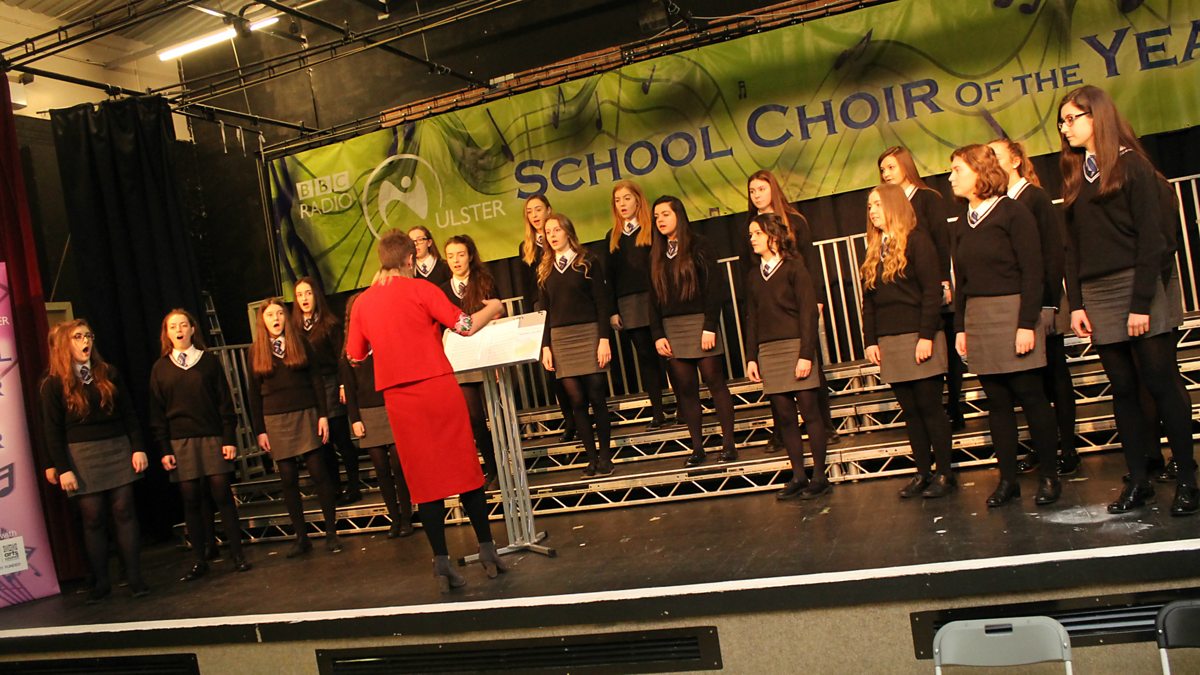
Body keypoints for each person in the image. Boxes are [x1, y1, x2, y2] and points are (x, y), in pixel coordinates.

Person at [1058, 84, 1196, 515]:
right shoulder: (1078, 176)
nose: (1065, 128)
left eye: (1072, 118)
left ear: (1096, 116)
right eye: (1062, 122)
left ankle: (1188, 481)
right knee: (1122, 388)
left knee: (1161, 382)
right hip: (1098, 292)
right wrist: (1077, 304)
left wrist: (1140, 303)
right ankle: (1139, 480)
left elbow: (1154, 239)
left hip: (1140, 285)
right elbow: (1072, 248)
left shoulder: (1132, 165)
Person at [346, 230, 507, 592]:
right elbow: (465, 326)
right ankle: (487, 549)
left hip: (399, 399)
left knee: (425, 481)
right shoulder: (422, 289)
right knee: (465, 470)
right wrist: (495, 307)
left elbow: (355, 355)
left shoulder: (362, 303)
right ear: (409, 260)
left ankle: (441, 562)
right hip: (437, 388)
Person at [949, 144, 1060, 507]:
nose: (951, 177)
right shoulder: (962, 223)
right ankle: (1008, 480)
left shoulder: (1013, 212)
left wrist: (1027, 323)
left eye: (957, 170)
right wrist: (961, 327)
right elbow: (962, 281)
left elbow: (1033, 271)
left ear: (980, 172)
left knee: (1031, 395)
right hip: (979, 317)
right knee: (996, 401)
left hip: (1013, 313)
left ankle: (1049, 476)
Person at [987, 138, 1080, 476]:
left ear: (1014, 161)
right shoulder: (997, 204)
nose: (990, 162)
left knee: (1056, 374)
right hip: (1019, 304)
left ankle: (1067, 447)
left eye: (996, 156)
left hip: (1044, 300)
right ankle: (1044, 447)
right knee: (1032, 382)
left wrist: (1049, 303)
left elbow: (1052, 253)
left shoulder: (1034, 197)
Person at [40, 320, 150, 603]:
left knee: (124, 511)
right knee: (93, 517)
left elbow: (129, 413)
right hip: (82, 455)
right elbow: (52, 430)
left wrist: (137, 447)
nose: (85, 341)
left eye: (88, 335)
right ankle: (101, 582)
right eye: (77, 337)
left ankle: (135, 578)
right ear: (65, 344)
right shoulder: (53, 383)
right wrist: (63, 468)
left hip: (116, 447)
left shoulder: (108, 372)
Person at [860, 185, 956, 499]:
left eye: (877, 204)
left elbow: (931, 292)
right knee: (911, 411)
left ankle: (945, 473)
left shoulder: (917, 241)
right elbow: (869, 301)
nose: (872, 211)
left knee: (930, 408)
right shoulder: (875, 249)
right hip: (891, 339)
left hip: (919, 336)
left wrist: (926, 336)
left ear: (893, 205)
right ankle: (923, 472)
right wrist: (871, 340)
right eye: (870, 206)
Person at [149, 309, 251, 581]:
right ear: (167, 333)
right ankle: (200, 559)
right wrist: (164, 449)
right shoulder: (160, 368)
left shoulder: (208, 361)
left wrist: (228, 438)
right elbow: (157, 413)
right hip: (180, 442)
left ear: (193, 329)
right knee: (191, 498)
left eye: (183, 325)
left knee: (222, 494)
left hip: (212, 437)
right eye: (173, 326)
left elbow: (225, 403)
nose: (179, 330)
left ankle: (238, 555)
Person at [746, 170, 838, 446]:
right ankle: (781, 431)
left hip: (799, 300)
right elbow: (747, 267)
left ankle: (824, 425)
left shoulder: (795, 221)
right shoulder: (751, 227)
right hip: (770, 306)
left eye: (762, 189)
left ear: (773, 189)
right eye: (752, 191)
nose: (757, 195)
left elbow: (810, 261)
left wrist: (817, 297)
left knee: (810, 362)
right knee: (775, 378)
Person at [744, 213, 830, 500]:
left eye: (757, 233)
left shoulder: (795, 268)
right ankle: (798, 475)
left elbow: (808, 313)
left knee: (810, 412)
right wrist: (751, 357)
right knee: (785, 417)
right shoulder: (753, 276)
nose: (752, 239)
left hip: (795, 346)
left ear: (774, 236)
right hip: (769, 350)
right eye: (750, 234)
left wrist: (806, 354)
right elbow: (752, 318)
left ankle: (820, 476)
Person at [247, 299, 341, 556]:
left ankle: (331, 533)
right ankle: (301, 538)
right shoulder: (256, 351)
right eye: (270, 315)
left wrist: (323, 415)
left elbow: (317, 381)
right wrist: (260, 430)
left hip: (305, 413)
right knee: (288, 478)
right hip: (276, 419)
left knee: (318, 472)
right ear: (262, 321)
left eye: (279, 313)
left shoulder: (300, 342)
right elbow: (253, 394)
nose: (275, 318)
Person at [649, 196, 738, 467]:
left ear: (679, 214)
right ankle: (697, 448)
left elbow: (715, 288)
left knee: (714, 381)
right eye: (656, 216)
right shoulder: (656, 253)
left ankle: (728, 444)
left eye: (665, 214)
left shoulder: (700, 244)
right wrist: (658, 334)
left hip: (700, 323)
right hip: (672, 328)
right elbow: (652, 298)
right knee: (685, 388)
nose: (660, 220)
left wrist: (710, 325)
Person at [878, 146, 962, 429]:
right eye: (883, 170)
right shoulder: (888, 204)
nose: (886, 174)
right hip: (907, 290)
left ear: (906, 166)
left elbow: (941, 241)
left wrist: (943, 280)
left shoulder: (927, 198)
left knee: (945, 344)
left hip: (932, 281)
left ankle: (954, 407)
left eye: (891, 167)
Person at [540, 213, 616, 477]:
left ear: (568, 231)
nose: (552, 235)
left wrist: (604, 339)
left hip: (589, 333)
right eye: (548, 231)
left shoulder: (587, 261)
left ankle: (605, 457)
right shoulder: (545, 269)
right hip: (561, 338)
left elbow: (602, 302)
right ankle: (591, 458)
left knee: (596, 395)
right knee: (577, 400)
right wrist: (546, 346)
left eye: (556, 229)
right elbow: (545, 311)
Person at [338, 293, 414, 538]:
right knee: (381, 468)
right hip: (368, 412)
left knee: (398, 465)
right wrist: (355, 419)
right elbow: (350, 389)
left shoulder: (385, 340)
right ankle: (395, 519)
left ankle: (406, 517)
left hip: (390, 406)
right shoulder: (349, 352)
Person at [291, 277, 361, 505]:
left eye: (308, 293)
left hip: (330, 383)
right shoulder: (294, 328)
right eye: (299, 295)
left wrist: (342, 384)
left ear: (316, 296)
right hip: (311, 389)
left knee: (341, 438)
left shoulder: (329, 324)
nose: (304, 299)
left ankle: (354, 486)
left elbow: (341, 357)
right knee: (324, 443)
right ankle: (334, 488)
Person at [606, 180, 667, 427]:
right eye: (617, 200)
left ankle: (683, 407)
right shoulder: (612, 236)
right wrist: (613, 311)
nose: (622, 204)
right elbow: (610, 278)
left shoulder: (652, 229)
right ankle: (658, 411)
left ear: (638, 200)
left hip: (656, 299)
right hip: (629, 303)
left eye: (627, 198)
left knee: (667, 353)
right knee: (645, 357)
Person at [442, 234, 502, 486]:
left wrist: (498, 359)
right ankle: (492, 468)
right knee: (474, 418)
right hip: (460, 361)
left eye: (460, 254)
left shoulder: (485, 282)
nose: (456, 260)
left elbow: (498, 316)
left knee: (497, 414)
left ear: (470, 256)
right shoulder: (442, 290)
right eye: (451, 256)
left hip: (487, 355)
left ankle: (506, 465)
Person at [518, 194, 577, 442]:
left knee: (573, 368)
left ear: (549, 210)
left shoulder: (560, 236)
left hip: (564, 308)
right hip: (540, 310)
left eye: (538, 209)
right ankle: (570, 421)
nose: (534, 215)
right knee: (552, 368)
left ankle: (583, 415)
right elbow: (527, 286)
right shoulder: (526, 247)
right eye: (529, 211)